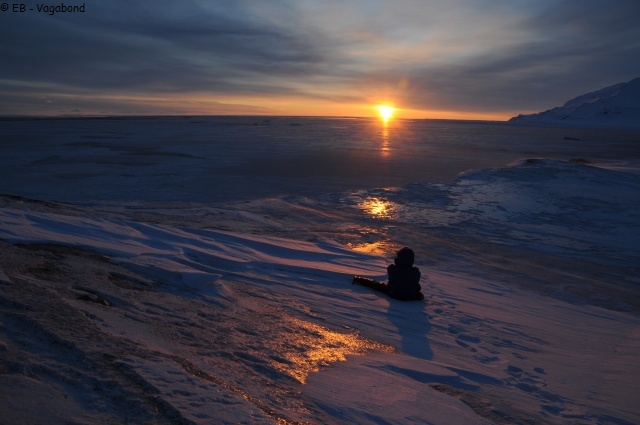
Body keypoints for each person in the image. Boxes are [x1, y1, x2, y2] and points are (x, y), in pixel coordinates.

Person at [353, 247, 424, 301]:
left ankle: (360, 280)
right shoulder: (415, 272)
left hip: (393, 294)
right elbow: (417, 287)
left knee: (377, 286)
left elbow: (396, 275)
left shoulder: (392, 268)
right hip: (411, 297)